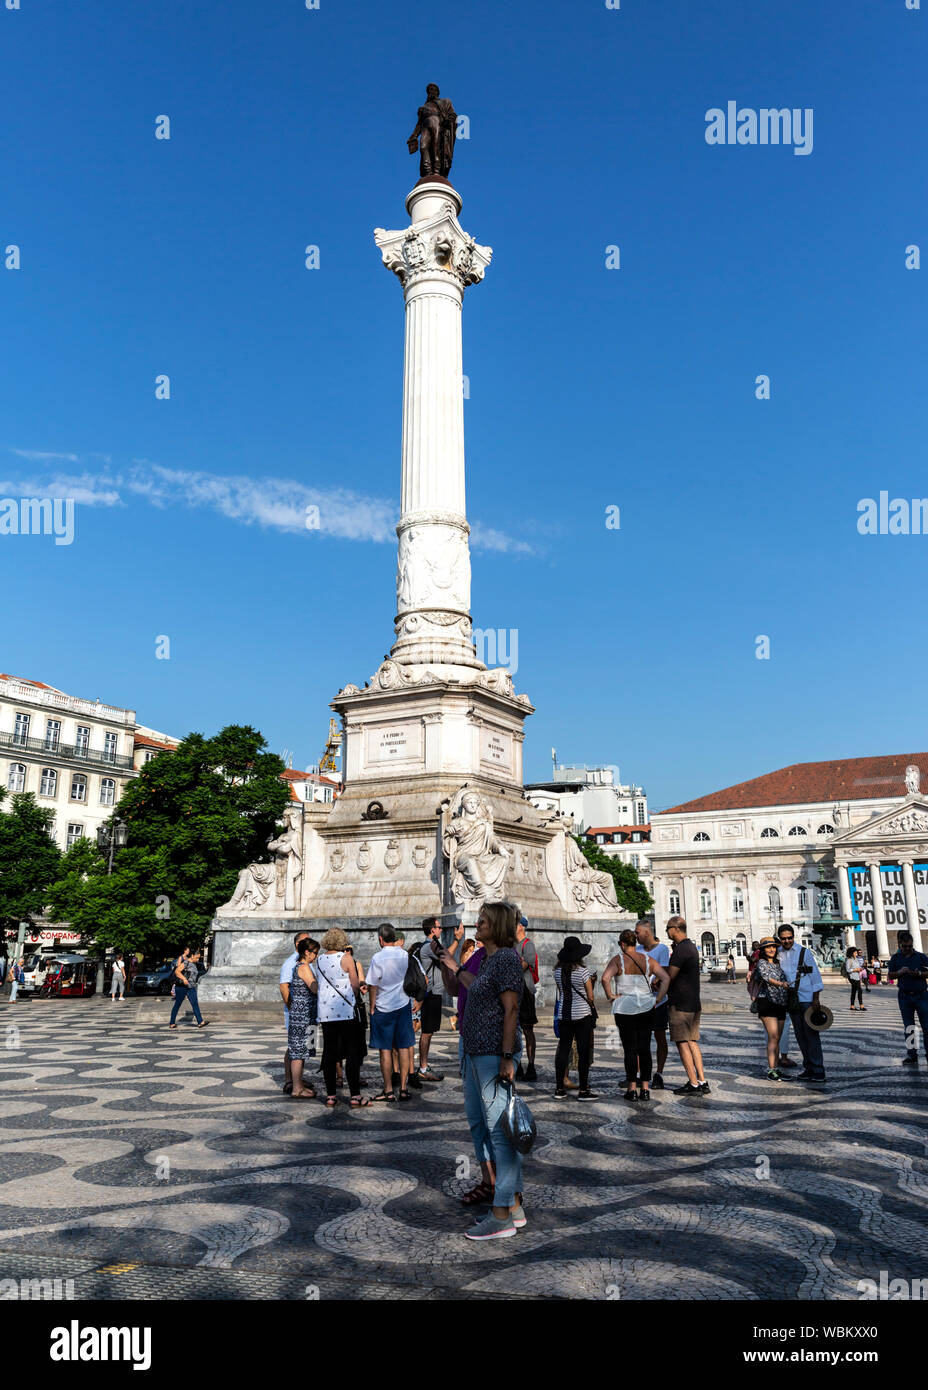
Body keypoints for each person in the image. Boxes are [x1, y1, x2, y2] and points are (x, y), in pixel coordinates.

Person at [447, 901, 526, 1240]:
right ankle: (515, 1209)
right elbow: (471, 984)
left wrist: (508, 1056)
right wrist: (450, 965)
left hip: (495, 1054)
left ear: (497, 925)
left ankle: (501, 1214)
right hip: (478, 1053)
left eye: (483, 921)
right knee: (484, 1124)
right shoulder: (490, 960)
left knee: (500, 1134)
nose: (477, 925)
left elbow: (511, 1010)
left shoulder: (507, 958)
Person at [602, 929, 669, 1100]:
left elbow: (605, 978)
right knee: (645, 1048)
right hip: (646, 1006)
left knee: (630, 1049)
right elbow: (665, 978)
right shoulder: (647, 959)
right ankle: (645, 1089)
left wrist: (611, 996)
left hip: (624, 1007)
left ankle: (632, 1089)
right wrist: (658, 999)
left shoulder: (618, 960)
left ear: (623, 944)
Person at [315, 928, 370, 1107]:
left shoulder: (320, 959)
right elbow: (354, 984)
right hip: (346, 1011)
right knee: (352, 1052)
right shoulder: (346, 958)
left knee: (330, 1052)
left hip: (326, 1012)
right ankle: (355, 1095)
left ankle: (331, 1095)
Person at [367, 924, 417, 1102]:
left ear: (380, 939)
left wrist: (372, 1005)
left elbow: (373, 984)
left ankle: (388, 1090)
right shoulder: (404, 954)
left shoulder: (377, 957)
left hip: (383, 1006)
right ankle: (403, 1088)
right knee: (404, 1047)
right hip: (403, 1004)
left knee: (385, 1050)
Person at [777, 925, 826, 1083]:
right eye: (783, 938)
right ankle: (808, 1067)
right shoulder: (778, 954)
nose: (787, 941)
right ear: (780, 939)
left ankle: (818, 1069)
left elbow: (815, 976)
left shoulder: (803, 952)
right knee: (800, 1035)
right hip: (791, 1000)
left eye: (789, 937)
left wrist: (816, 998)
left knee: (811, 1034)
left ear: (793, 937)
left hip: (806, 998)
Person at [666, 917, 709, 1095]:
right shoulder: (690, 946)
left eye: (668, 928)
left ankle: (693, 1084)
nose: (667, 931)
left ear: (676, 928)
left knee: (682, 1042)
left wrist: (658, 984)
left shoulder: (680, 949)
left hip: (680, 1004)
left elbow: (670, 976)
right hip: (693, 1002)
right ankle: (702, 1080)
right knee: (692, 1041)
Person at [553, 936, 599, 1101]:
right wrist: (592, 983)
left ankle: (559, 1088)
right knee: (583, 1051)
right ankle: (584, 1090)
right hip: (582, 1015)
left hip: (564, 1015)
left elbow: (562, 991)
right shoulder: (582, 971)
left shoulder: (557, 972)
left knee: (563, 1050)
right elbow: (591, 997)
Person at [634, 919, 672, 1087]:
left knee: (659, 1036)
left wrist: (655, 979)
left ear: (646, 933)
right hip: (640, 1000)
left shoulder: (662, 949)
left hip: (659, 1002)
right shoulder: (637, 950)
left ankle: (659, 1073)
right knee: (640, 1039)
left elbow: (663, 973)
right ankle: (639, 1073)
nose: (636, 936)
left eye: (637, 933)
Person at [750, 937, 790, 1080]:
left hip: (780, 1003)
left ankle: (776, 1067)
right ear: (762, 950)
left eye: (773, 947)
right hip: (767, 1002)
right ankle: (771, 1069)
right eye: (768, 947)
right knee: (772, 1037)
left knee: (777, 1038)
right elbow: (767, 978)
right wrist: (781, 984)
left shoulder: (779, 964)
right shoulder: (761, 963)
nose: (771, 949)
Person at [887, 931, 928, 1067]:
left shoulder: (921, 957)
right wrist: (900, 972)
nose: (907, 949)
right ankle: (912, 1055)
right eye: (904, 946)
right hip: (904, 996)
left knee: (926, 1026)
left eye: (909, 946)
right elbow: (890, 976)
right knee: (909, 1027)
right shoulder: (895, 958)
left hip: (921, 995)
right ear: (900, 945)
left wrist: (919, 973)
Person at [416, 916, 449, 1081]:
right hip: (430, 994)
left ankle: (423, 1065)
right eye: (439, 927)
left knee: (428, 1032)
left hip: (434, 993)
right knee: (427, 1032)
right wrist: (457, 939)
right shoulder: (429, 946)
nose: (441, 929)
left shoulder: (431, 946)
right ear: (432, 930)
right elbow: (446, 956)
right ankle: (423, 1067)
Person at [287, 938, 319, 1099]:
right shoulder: (304, 967)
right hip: (302, 1015)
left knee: (302, 1050)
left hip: (303, 1013)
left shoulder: (301, 966)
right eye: (315, 953)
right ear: (307, 952)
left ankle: (298, 1084)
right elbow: (314, 988)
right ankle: (297, 1088)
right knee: (299, 1051)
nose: (316, 956)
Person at [279, 930, 311, 1094]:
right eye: (307, 941)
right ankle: (289, 1080)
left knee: (302, 1045)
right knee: (294, 1045)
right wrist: (292, 1007)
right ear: (298, 944)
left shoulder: (304, 960)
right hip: (296, 1011)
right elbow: (284, 986)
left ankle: (297, 1077)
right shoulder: (291, 962)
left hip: (304, 1010)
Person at [515, 916, 538, 1082]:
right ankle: (517, 1064)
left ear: (521, 927)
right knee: (513, 1030)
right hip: (513, 992)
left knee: (528, 1029)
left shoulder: (527, 944)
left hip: (526, 991)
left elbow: (524, 965)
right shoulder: (511, 944)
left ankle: (531, 1065)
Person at [169, 949, 208, 1029]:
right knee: (177, 1004)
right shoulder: (186, 962)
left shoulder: (194, 964)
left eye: (199, 958)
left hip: (191, 987)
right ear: (192, 955)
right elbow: (177, 971)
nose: (197, 960)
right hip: (182, 987)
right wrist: (184, 979)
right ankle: (172, 1023)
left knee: (195, 1004)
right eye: (196, 958)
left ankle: (200, 1022)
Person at [845, 946, 867, 1011]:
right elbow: (848, 970)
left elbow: (858, 967)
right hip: (852, 977)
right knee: (860, 990)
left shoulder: (856, 959)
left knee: (854, 991)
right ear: (851, 953)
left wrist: (860, 969)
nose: (856, 954)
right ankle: (861, 1006)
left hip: (857, 977)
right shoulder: (849, 960)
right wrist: (855, 970)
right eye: (855, 953)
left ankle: (852, 1006)